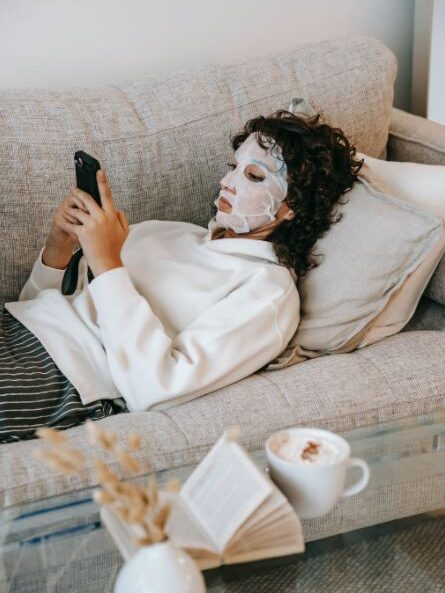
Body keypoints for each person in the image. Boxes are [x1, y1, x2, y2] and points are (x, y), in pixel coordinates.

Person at [1, 109, 362, 443]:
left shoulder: (268, 291)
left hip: (61, 376)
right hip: (13, 326)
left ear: (292, 207)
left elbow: (156, 390)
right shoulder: (168, 232)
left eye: (252, 176)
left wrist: (108, 264)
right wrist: (58, 247)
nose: (227, 182)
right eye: (232, 167)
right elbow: (33, 308)